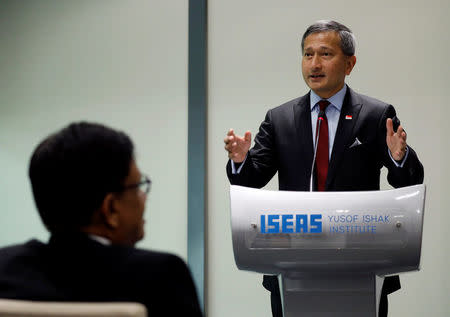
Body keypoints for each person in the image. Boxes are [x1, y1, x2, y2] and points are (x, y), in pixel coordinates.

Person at [224, 20, 424, 317]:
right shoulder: (280, 119)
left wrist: (399, 156)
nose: (314, 64)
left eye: (325, 54)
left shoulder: (375, 114)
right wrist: (240, 160)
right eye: (307, 55)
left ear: (349, 63)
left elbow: (410, 180)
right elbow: (251, 180)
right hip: (293, 262)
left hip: (360, 259)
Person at [0, 122, 202, 317]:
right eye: (138, 186)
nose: (144, 197)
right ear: (110, 208)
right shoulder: (162, 277)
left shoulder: (6, 269)